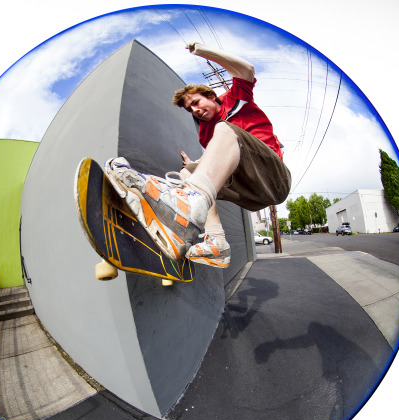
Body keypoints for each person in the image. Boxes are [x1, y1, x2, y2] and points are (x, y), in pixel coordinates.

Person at [104, 42, 291, 267]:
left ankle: (189, 207)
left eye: (196, 103)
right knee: (188, 172)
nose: (195, 111)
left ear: (211, 96)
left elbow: (247, 69)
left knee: (225, 130)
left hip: (273, 178)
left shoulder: (235, 98)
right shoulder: (204, 133)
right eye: (189, 109)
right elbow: (219, 159)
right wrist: (194, 165)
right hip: (251, 194)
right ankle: (216, 242)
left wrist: (202, 51)